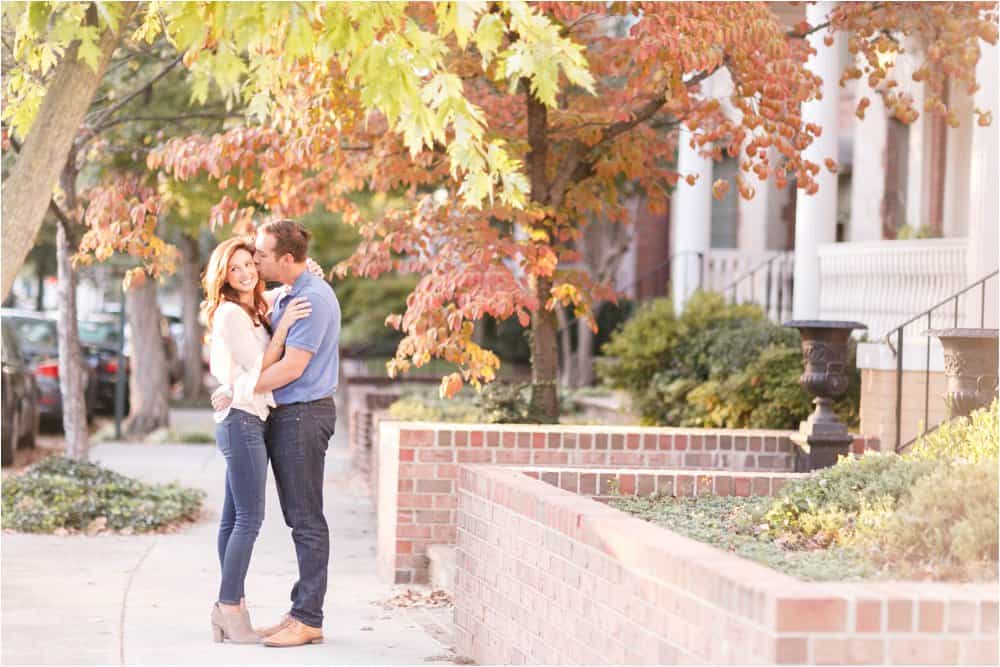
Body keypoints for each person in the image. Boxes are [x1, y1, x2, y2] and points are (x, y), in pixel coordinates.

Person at [213, 219, 341, 648]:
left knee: (304, 518)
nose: (256, 263)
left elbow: (291, 369)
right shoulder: (286, 294)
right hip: (274, 416)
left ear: (285, 259)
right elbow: (248, 312)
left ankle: (307, 617)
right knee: (252, 517)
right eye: (247, 261)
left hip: (303, 416)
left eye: (262, 256)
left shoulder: (312, 299)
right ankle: (265, 610)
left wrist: (236, 390)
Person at [202, 237, 312, 644]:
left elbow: (279, 290)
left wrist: (304, 273)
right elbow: (259, 364)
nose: (246, 272)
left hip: (248, 416)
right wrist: (283, 331)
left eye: (250, 263)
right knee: (250, 519)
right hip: (241, 421)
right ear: (223, 277)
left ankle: (230, 608)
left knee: (233, 519)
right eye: (236, 269)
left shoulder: (253, 308)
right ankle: (229, 608)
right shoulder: (231, 313)